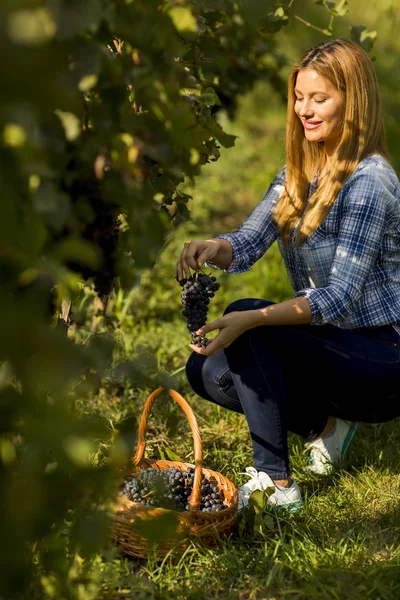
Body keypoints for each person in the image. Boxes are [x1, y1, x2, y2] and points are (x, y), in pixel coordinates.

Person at [174, 38, 400, 512]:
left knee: (249, 321)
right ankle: (325, 427)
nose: (304, 109)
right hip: (331, 342)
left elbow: (337, 299)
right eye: (299, 97)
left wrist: (256, 319)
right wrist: (212, 247)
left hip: (383, 356)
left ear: (352, 101)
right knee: (207, 371)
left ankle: (277, 486)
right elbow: (249, 240)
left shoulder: (370, 181)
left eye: (320, 99)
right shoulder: (299, 170)